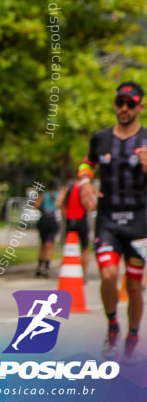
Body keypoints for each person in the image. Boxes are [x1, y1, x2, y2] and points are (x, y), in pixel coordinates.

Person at [80, 80, 147, 358]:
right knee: (108, 275)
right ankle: (112, 326)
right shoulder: (101, 138)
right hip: (107, 220)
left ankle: (132, 335)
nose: (124, 108)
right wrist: (84, 181)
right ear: (114, 104)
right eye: (120, 102)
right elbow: (88, 162)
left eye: (130, 104)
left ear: (140, 107)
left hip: (140, 223)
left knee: (133, 285)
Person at [62, 166, 93, 280]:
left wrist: (65, 213)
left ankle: (67, 272)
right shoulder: (84, 189)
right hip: (82, 220)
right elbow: (90, 205)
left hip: (70, 221)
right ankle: (83, 275)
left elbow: (61, 203)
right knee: (84, 249)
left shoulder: (69, 188)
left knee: (69, 248)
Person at [34, 180, 60, 278]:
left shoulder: (44, 195)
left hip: (43, 220)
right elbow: (60, 206)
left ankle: (39, 267)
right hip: (52, 221)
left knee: (42, 244)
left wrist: (42, 209)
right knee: (49, 245)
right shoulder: (58, 196)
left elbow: (36, 205)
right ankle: (47, 267)